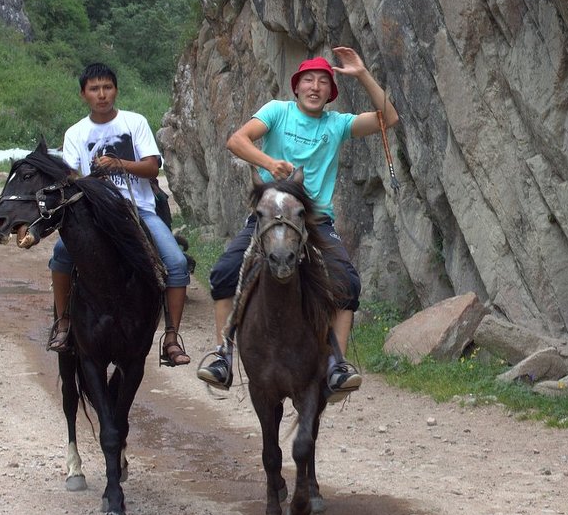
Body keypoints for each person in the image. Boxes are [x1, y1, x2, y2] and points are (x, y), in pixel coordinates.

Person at [197, 46, 399, 400]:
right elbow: (237, 140)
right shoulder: (277, 112)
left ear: (330, 92)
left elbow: (389, 118)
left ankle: (337, 363)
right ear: (297, 86)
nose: (315, 87)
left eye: (323, 81)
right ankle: (222, 354)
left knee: (347, 282)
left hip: (316, 221)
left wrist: (363, 73)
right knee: (225, 272)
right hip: (268, 216)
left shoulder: (337, 124)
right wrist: (269, 162)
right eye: (308, 79)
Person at [46, 62, 192, 366]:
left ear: (116, 90)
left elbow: (153, 167)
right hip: (94, 213)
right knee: (61, 255)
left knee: (176, 263)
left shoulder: (134, 122)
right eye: (94, 89)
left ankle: (171, 337)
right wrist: (90, 182)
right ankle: (63, 323)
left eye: (107, 87)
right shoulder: (76, 132)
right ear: (83, 94)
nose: (102, 95)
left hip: (137, 210)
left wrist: (118, 164)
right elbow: (71, 177)